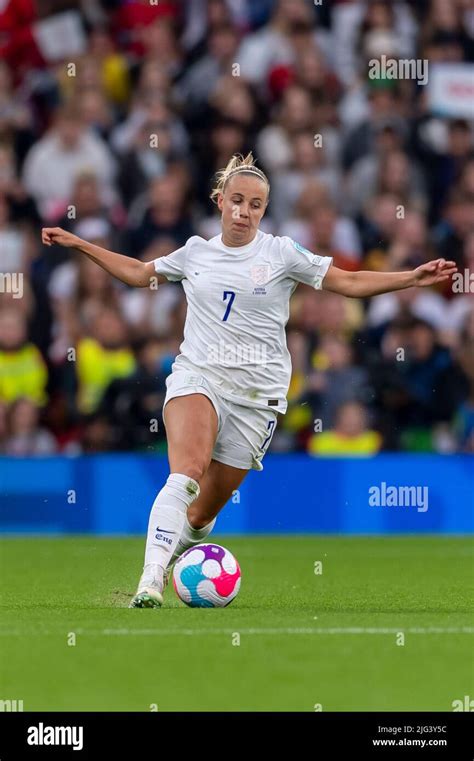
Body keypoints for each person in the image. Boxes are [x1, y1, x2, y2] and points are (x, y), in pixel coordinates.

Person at [41, 152, 457, 608]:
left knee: (200, 517)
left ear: (264, 209)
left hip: (257, 399)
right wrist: (80, 244)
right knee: (186, 474)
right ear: (220, 201)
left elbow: (347, 282)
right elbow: (140, 274)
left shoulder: (281, 253)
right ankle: (150, 580)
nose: (244, 211)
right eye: (236, 201)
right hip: (199, 376)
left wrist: (409, 279)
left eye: (255, 205)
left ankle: (182, 554)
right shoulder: (195, 251)